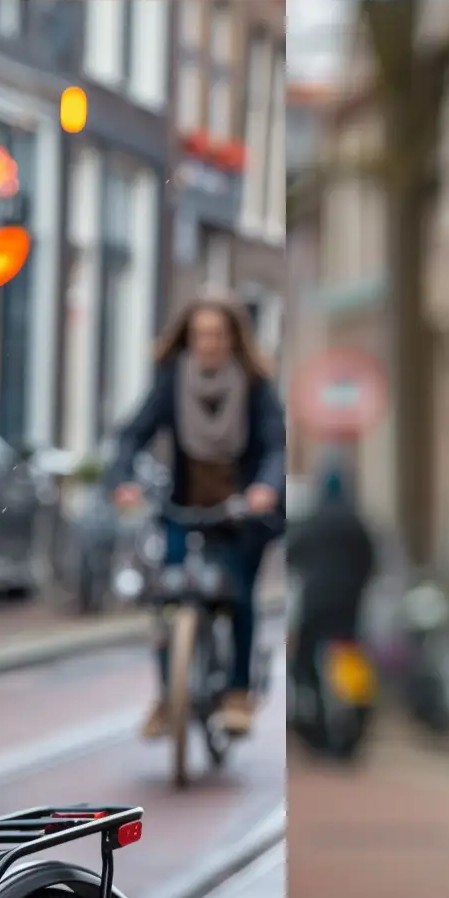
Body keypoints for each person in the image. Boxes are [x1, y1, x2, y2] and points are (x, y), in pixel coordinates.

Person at [108, 296, 286, 738]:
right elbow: (132, 434)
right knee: (168, 593)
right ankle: (169, 697)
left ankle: (238, 693)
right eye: (200, 334)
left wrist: (265, 487)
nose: (208, 343)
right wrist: (123, 478)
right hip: (183, 506)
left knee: (240, 592)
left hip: (242, 511)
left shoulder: (255, 384)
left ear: (233, 339)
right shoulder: (172, 381)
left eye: (218, 334)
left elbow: (276, 446)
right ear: (188, 338)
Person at [286, 466, 377, 708]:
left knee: (305, 652)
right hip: (349, 602)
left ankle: (311, 698)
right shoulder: (356, 523)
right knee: (351, 647)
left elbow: (292, 554)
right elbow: (370, 562)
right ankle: (357, 704)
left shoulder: (311, 521)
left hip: (316, 600)